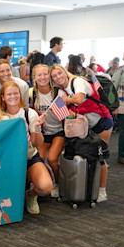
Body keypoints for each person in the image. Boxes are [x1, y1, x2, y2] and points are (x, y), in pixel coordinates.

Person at [50, 64, 112, 202]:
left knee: (100, 157)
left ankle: (102, 191)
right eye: (54, 76)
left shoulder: (77, 82)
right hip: (85, 126)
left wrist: (66, 100)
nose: (58, 77)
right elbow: (63, 112)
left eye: (59, 73)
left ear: (65, 72)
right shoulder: (61, 91)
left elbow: (78, 99)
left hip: (101, 121)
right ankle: (88, 188)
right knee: (86, 155)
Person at [0, 81, 52, 214]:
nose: (13, 96)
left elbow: (37, 143)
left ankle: (31, 194)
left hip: (29, 157)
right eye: (9, 94)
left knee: (46, 187)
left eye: (16, 93)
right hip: (9, 162)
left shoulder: (29, 113)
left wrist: (36, 127)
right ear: (3, 97)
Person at [30, 64, 64, 198]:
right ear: (34, 77)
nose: (43, 77)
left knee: (52, 158)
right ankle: (45, 182)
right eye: (39, 75)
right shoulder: (32, 93)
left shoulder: (57, 93)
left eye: (45, 74)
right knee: (40, 159)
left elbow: (64, 114)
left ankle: (58, 183)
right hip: (43, 133)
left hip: (58, 131)